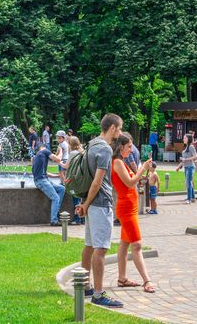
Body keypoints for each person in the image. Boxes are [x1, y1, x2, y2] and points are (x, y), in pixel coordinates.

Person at [75, 113, 124, 308]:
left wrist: (85, 202)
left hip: (91, 202)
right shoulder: (104, 149)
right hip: (100, 203)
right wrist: (86, 204)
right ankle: (98, 293)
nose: (120, 132)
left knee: (89, 245)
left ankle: (85, 286)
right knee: (101, 248)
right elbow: (97, 180)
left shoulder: (92, 143)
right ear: (112, 128)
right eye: (119, 128)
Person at [110, 134, 155, 293]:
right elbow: (129, 183)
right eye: (129, 146)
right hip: (126, 210)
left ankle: (122, 279)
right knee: (137, 244)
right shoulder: (117, 162)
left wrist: (146, 171)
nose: (131, 149)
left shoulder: (123, 162)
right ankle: (147, 280)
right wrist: (142, 168)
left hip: (131, 208)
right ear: (121, 146)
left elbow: (135, 180)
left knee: (124, 244)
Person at [32, 142, 64, 226]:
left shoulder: (38, 157)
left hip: (42, 180)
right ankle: (54, 220)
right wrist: (61, 151)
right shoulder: (44, 151)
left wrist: (58, 175)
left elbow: (45, 173)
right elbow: (57, 159)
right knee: (56, 198)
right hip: (42, 181)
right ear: (44, 147)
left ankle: (56, 211)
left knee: (61, 189)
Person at [60, 136, 85, 225]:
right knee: (81, 198)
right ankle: (82, 218)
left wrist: (59, 161)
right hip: (82, 178)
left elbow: (66, 166)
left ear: (71, 144)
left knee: (75, 198)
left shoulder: (73, 153)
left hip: (74, 179)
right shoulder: (81, 151)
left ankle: (77, 219)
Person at [176, 134, 197, 204]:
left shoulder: (191, 147)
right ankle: (193, 197)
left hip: (190, 167)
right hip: (186, 167)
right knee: (189, 182)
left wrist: (186, 159)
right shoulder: (186, 147)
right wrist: (179, 166)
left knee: (188, 183)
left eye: (185, 138)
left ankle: (189, 199)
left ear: (189, 139)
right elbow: (183, 160)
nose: (183, 139)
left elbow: (195, 157)